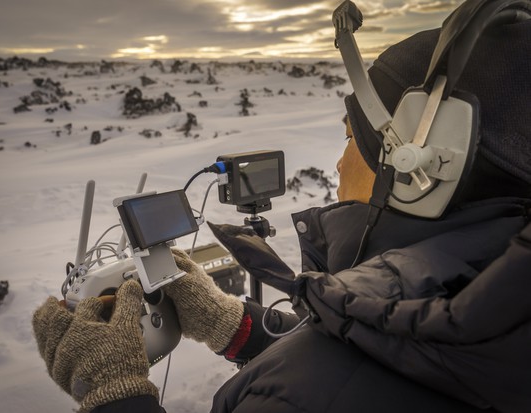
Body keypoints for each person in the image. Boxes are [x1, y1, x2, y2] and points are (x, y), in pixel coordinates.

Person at [32, 1, 531, 412]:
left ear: (418, 169)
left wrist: (112, 397)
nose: (339, 162)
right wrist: (237, 327)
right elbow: (391, 351)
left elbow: (341, 379)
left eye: (351, 138)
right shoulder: (492, 294)